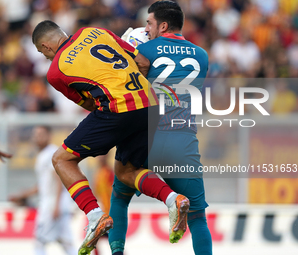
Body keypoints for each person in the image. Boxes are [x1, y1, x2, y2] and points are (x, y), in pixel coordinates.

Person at [32, 21, 190, 255]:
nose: (44, 57)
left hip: (117, 108)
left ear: (45, 46)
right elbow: (143, 62)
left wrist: (118, 116)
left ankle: (94, 216)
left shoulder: (56, 71)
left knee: (61, 159)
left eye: (41, 52)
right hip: (150, 103)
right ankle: (173, 199)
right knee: (126, 171)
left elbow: (87, 103)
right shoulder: (94, 31)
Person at [108, 1, 213, 255]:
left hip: (147, 136)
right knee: (198, 218)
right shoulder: (201, 55)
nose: (146, 28)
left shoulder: (144, 50)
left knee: (120, 195)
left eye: (149, 23)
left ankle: (118, 252)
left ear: (162, 25)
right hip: (183, 140)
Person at [9, 126, 77, 255]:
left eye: (40, 134)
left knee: (40, 241)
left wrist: (56, 206)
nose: (37, 138)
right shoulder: (43, 155)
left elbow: (58, 179)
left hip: (53, 205)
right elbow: (42, 185)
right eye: (35, 135)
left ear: (48, 136)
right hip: (58, 204)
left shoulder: (51, 153)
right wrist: (22, 195)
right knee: (66, 242)